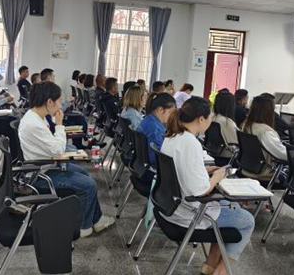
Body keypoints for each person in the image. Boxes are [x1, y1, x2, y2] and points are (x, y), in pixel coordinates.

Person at [161, 96, 254, 275]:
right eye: (210, 117)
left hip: (172, 206)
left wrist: (203, 171)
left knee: (227, 205)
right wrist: (217, 177)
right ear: (201, 119)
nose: (211, 121)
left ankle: (211, 264)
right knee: (247, 221)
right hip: (189, 214)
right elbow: (201, 191)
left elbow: (180, 169)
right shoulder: (190, 143)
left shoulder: (173, 136)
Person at [18, 81, 114, 237]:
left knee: (84, 174)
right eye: (58, 101)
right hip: (41, 175)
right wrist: (59, 124)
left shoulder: (37, 117)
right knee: (89, 185)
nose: (60, 106)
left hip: (47, 164)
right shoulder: (33, 124)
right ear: (49, 102)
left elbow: (53, 144)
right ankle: (83, 227)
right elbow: (57, 149)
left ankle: (96, 220)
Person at [242, 95, 287, 181]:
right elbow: (283, 155)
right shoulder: (266, 132)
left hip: (248, 170)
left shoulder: (247, 126)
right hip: (264, 175)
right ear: (269, 112)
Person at [137, 93, 176, 168]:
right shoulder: (155, 130)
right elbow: (157, 158)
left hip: (141, 165)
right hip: (152, 169)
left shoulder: (149, 119)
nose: (172, 116)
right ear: (161, 110)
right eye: (170, 112)